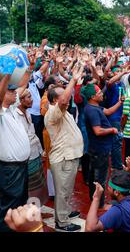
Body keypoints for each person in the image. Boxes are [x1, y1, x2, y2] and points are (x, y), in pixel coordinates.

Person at [0, 56, 31, 232]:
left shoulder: (11, 108)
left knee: (19, 204)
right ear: (2, 94)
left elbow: (23, 85)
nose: (16, 93)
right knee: (9, 207)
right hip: (10, 170)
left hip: (20, 167)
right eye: (10, 91)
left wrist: (29, 66)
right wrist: (7, 75)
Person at [45, 64, 84, 232]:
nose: (67, 98)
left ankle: (65, 212)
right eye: (63, 96)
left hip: (69, 156)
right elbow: (64, 100)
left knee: (66, 189)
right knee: (62, 191)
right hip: (63, 158)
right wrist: (73, 80)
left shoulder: (61, 110)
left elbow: (66, 99)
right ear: (55, 100)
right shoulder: (53, 112)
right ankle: (62, 222)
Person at [85, 158, 130, 232]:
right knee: (113, 204)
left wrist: (96, 198)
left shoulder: (118, 211)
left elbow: (89, 228)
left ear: (116, 192)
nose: (107, 188)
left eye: (109, 187)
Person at [83, 83, 120, 208]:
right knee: (100, 177)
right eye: (99, 93)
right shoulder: (92, 111)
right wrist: (112, 130)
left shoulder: (94, 107)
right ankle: (100, 204)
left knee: (95, 175)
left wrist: (120, 102)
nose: (102, 94)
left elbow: (108, 111)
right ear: (93, 97)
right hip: (100, 149)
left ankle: (94, 199)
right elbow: (98, 131)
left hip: (98, 148)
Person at [16, 88, 48, 205]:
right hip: (27, 156)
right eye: (29, 97)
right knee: (31, 187)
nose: (32, 100)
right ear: (20, 100)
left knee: (38, 185)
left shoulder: (27, 112)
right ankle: (31, 214)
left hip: (35, 153)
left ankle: (36, 210)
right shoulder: (16, 116)